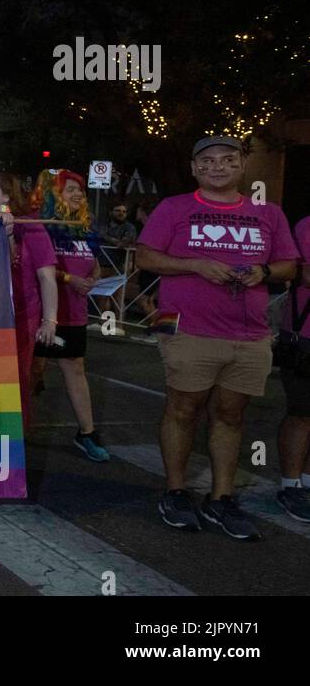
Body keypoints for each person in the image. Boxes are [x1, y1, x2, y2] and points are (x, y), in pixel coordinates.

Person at [136, 136, 298, 539]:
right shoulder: (174, 207)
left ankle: (220, 498)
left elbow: (289, 265)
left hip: (250, 334)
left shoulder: (268, 213)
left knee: (231, 415)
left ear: (241, 166)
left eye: (228, 160)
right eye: (207, 161)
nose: (218, 167)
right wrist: (196, 265)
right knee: (183, 409)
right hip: (185, 328)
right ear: (194, 168)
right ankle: (174, 491)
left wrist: (266, 272)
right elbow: (145, 256)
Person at [31, 170, 110, 461]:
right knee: (32, 370)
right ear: (54, 194)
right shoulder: (40, 225)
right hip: (42, 312)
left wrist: (93, 278)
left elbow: (95, 263)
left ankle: (86, 433)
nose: (78, 195)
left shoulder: (83, 228)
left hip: (75, 312)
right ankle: (17, 431)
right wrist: (68, 279)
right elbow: (37, 267)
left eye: (80, 190)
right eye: (71, 190)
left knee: (75, 368)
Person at [0, 173, 58, 430]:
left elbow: (47, 277)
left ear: (6, 196)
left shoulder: (31, 226)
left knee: (16, 378)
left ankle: (14, 440)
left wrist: (49, 321)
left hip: (20, 317)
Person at [274, 215, 310, 522]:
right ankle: (290, 484)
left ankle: (307, 481)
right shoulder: (307, 226)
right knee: (301, 413)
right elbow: (305, 274)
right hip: (304, 337)